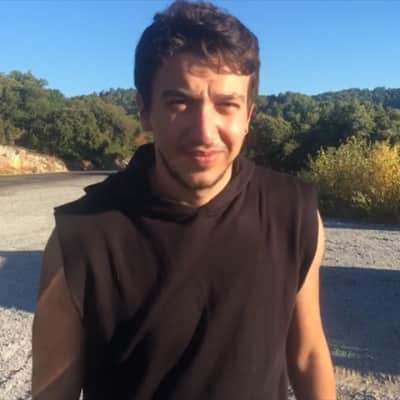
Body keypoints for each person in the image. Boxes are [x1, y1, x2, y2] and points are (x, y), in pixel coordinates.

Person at [32, 1, 336, 399]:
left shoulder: (293, 213)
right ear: (145, 110)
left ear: (248, 115)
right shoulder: (81, 239)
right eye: (180, 103)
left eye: (227, 105)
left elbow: (308, 354)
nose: (204, 132)